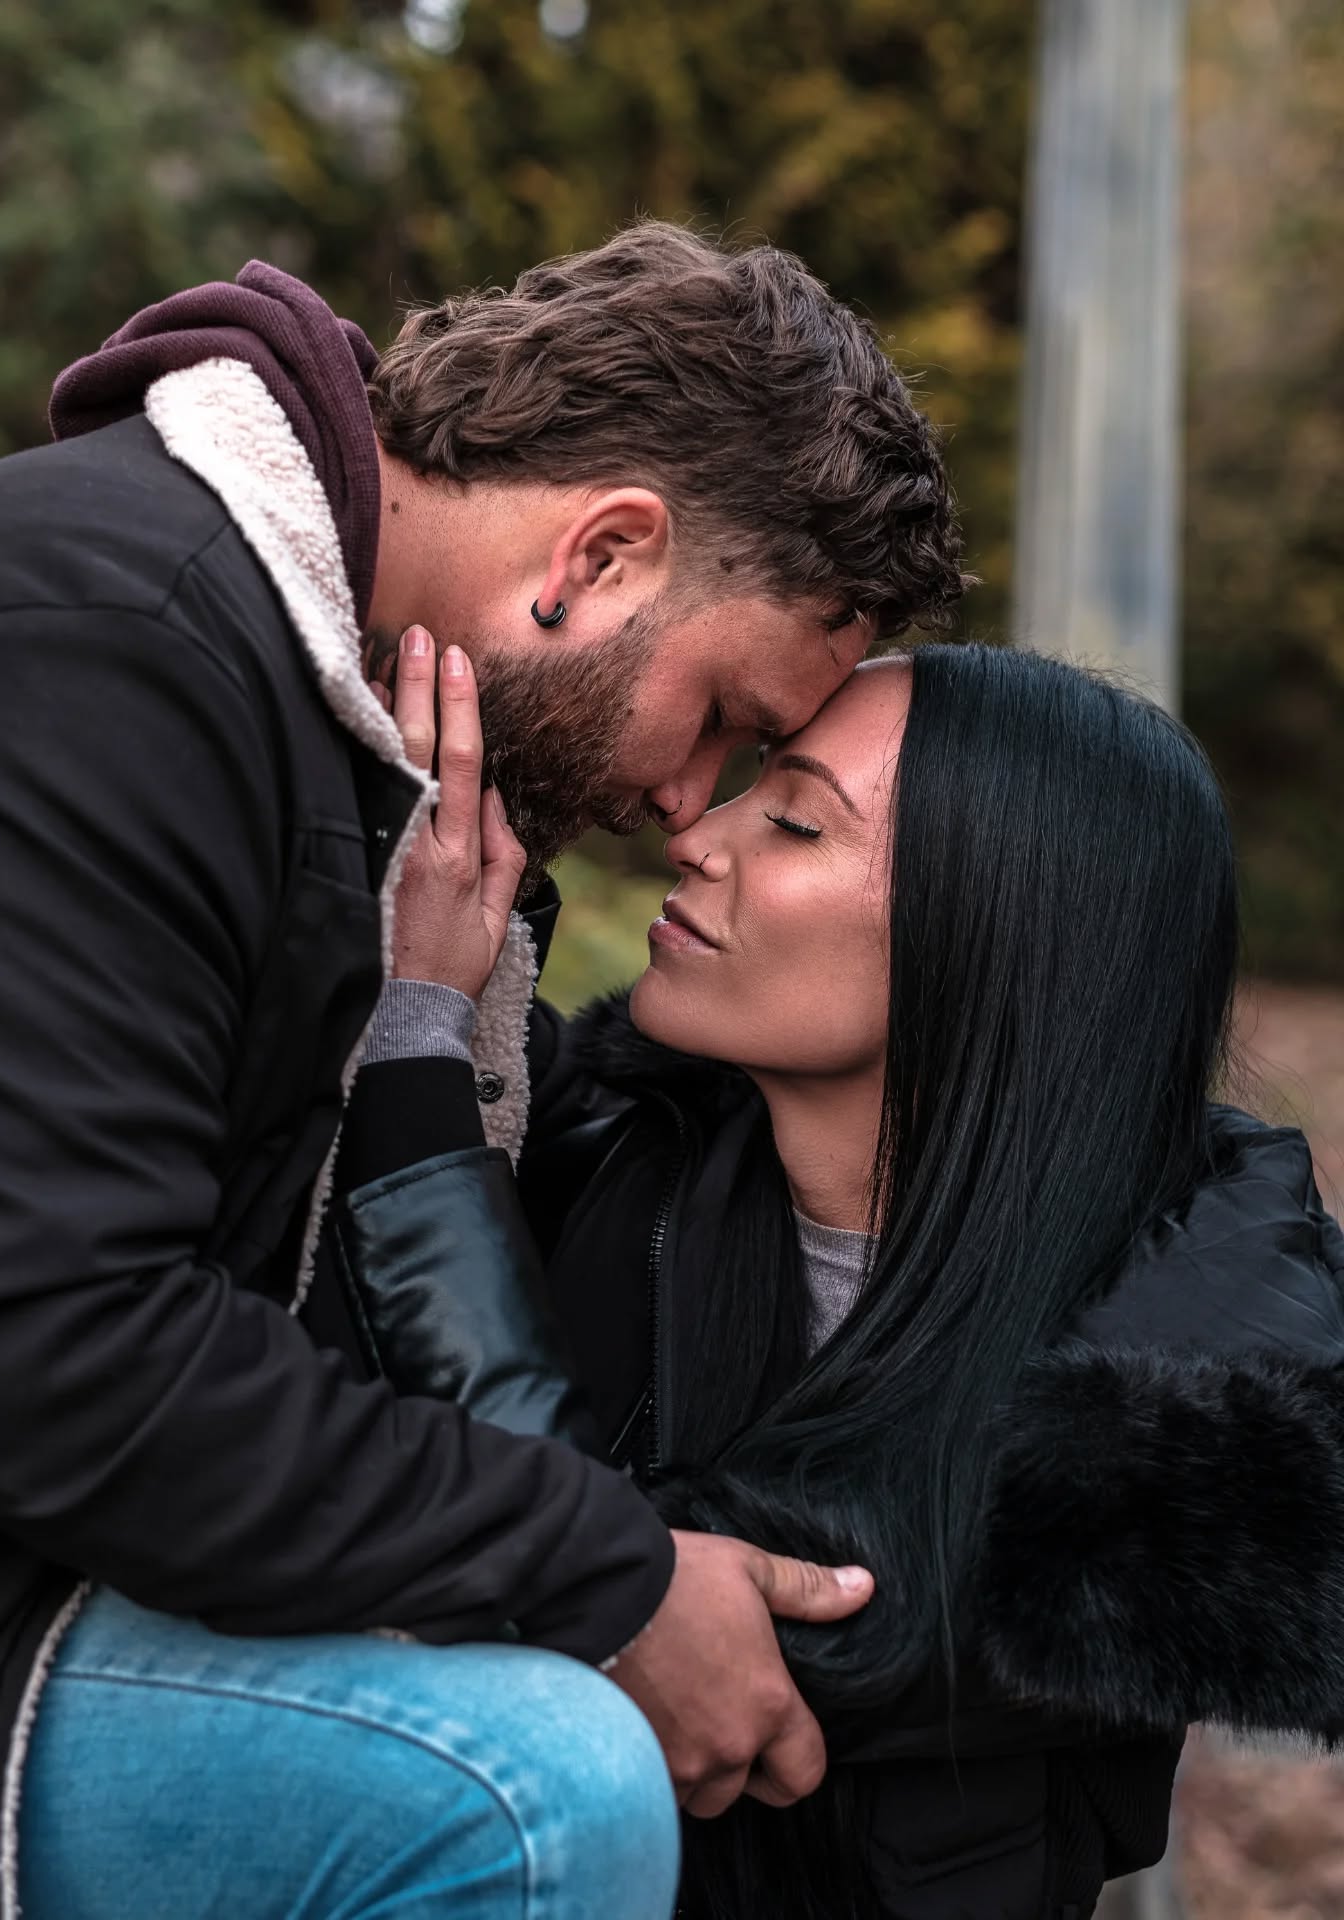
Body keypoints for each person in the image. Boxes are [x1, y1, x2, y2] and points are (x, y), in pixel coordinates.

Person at [0, 225, 966, 1920]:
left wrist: (415, 1040)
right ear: (603, 555)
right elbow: (54, 1352)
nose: (689, 805)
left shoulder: (367, 781)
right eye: (718, 717)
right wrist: (605, 1579)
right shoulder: (114, 645)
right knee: (539, 1798)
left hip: (15, 1584)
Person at [336, 639, 1344, 1918]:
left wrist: (418, 1054)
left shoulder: (1198, 1384)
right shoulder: (612, 1148)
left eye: (800, 822)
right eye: (750, 783)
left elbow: (696, 1641)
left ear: (991, 938)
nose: (700, 833)